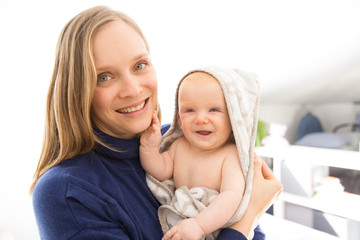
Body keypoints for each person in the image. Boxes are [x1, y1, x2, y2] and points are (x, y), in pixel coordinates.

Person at [29, 5, 283, 240]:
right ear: (77, 91)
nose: (133, 89)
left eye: (140, 65)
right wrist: (248, 217)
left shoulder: (182, 140)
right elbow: (246, 225)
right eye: (104, 77)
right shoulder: (66, 192)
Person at [140, 66, 261, 240]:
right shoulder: (179, 146)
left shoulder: (230, 155)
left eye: (213, 110)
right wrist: (149, 149)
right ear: (180, 120)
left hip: (213, 225)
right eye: (190, 110)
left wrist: (199, 225)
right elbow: (160, 170)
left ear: (233, 118)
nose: (201, 119)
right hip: (181, 224)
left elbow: (232, 196)